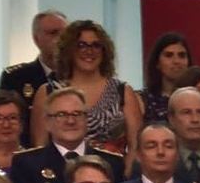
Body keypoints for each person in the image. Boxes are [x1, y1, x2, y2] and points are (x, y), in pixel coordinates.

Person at [30, 20, 142, 163]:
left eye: (96, 45)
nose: (89, 51)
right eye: (81, 45)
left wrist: (125, 174)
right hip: (60, 172)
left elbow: (136, 147)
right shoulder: (48, 92)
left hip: (113, 173)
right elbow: (40, 147)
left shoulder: (123, 92)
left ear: (104, 50)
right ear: (69, 50)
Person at [12, 86, 125, 183]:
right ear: (47, 122)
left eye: (77, 114)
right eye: (61, 115)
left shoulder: (112, 163)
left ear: (87, 119)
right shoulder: (26, 164)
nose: (70, 121)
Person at [0, 9, 67, 142]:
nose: (60, 40)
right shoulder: (16, 77)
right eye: (53, 33)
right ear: (36, 39)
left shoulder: (78, 76)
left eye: (65, 34)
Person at [141, 32, 192, 124]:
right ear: (157, 63)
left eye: (182, 55)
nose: (176, 61)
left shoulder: (198, 97)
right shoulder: (143, 100)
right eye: (169, 55)